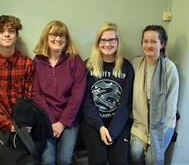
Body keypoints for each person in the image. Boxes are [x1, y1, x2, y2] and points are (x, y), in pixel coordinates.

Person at [0, 15, 34, 164]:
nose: (7, 34)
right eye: (2, 31)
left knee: (31, 156)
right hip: (0, 122)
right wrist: (9, 123)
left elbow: (27, 96)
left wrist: (20, 122)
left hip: (21, 121)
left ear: (16, 35)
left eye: (11, 31)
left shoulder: (27, 63)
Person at [32, 20, 86, 165]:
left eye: (62, 35)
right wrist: (50, 121)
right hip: (46, 119)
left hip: (69, 119)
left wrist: (62, 123)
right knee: (47, 160)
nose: (58, 39)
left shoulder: (75, 61)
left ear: (66, 39)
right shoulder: (37, 61)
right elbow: (36, 94)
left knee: (64, 160)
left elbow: (77, 95)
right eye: (54, 35)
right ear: (46, 37)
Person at [81, 22, 134, 165]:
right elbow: (86, 102)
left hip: (118, 122)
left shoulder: (126, 67)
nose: (107, 44)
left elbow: (125, 103)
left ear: (117, 42)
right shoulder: (88, 66)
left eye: (112, 40)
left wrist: (114, 131)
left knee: (120, 161)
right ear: (98, 43)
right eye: (103, 40)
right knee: (99, 160)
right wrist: (100, 127)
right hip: (93, 123)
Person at [129, 25, 179, 165]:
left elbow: (171, 106)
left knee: (153, 159)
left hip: (163, 123)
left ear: (162, 44)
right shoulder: (135, 64)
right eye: (145, 41)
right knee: (135, 153)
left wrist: (155, 135)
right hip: (141, 122)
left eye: (153, 41)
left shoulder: (169, 68)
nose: (148, 45)